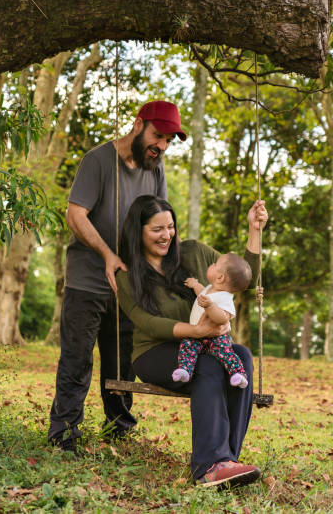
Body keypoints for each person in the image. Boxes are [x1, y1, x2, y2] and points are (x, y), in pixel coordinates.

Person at [48, 101, 187, 452]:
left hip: (129, 284)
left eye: (169, 140)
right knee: (77, 358)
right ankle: (64, 434)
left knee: (122, 362)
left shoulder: (156, 167)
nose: (162, 146)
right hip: (87, 281)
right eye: (158, 136)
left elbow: (159, 221)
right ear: (138, 125)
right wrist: (108, 254)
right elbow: (75, 214)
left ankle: (118, 430)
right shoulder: (97, 160)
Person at [117, 195, 268, 488]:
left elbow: (242, 278)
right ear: (139, 231)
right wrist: (196, 332)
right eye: (156, 229)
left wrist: (254, 230)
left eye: (170, 227)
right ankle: (209, 466)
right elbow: (145, 321)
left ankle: (227, 462)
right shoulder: (128, 274)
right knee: (209, 366)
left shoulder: (195, 253)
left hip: (203, 346)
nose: (167, 235)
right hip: (154, 352)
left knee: (242, 358)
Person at [172, 253, 252, 389]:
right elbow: (202, 293)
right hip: (197, 336)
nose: (212, 264)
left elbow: (223, 318)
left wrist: (210, 307)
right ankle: (185, 370)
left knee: (226, 353)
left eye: (215, 264)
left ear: (220, 277)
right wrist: (195, 285)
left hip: (216, 338)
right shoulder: (210, 289)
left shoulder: (225, 297)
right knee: (187, 346)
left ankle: (238, 374)